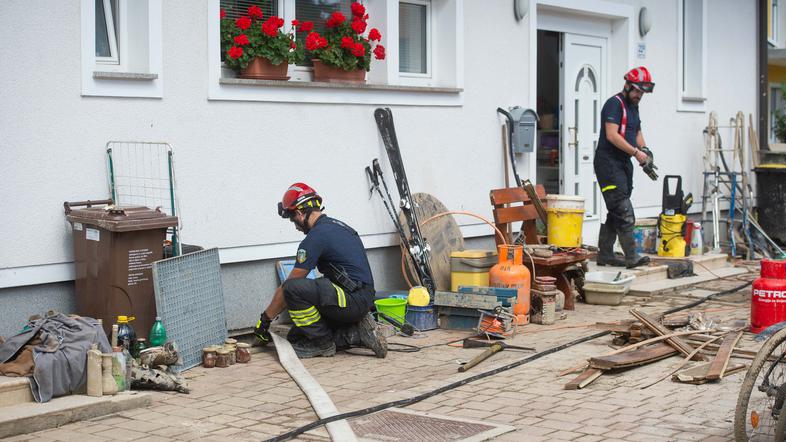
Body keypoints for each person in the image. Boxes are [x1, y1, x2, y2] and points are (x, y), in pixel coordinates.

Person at [253, 183, 387, 359]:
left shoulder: (315, 238)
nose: (296, 227)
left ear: (300, 214)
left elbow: (288, 287)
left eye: (293, 220)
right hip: (362, 297)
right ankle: (355, 334)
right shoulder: (340, 226)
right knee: (296, 337)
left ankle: (322, 345)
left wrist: (264, 321)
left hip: (350, 300)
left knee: (293, 289)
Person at [594, 67, 655, 269]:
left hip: (623, 164)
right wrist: (636, 153)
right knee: (623, 209)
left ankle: (605, 255)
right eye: (637, 91)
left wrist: (645, 151)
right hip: (608, 163)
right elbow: (612, 135)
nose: (639, 95)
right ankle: (631, 256)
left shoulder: (633, 107)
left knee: (615, 210)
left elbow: (636, 132)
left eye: (642, 93)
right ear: (627, 85)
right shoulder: (614, 104)